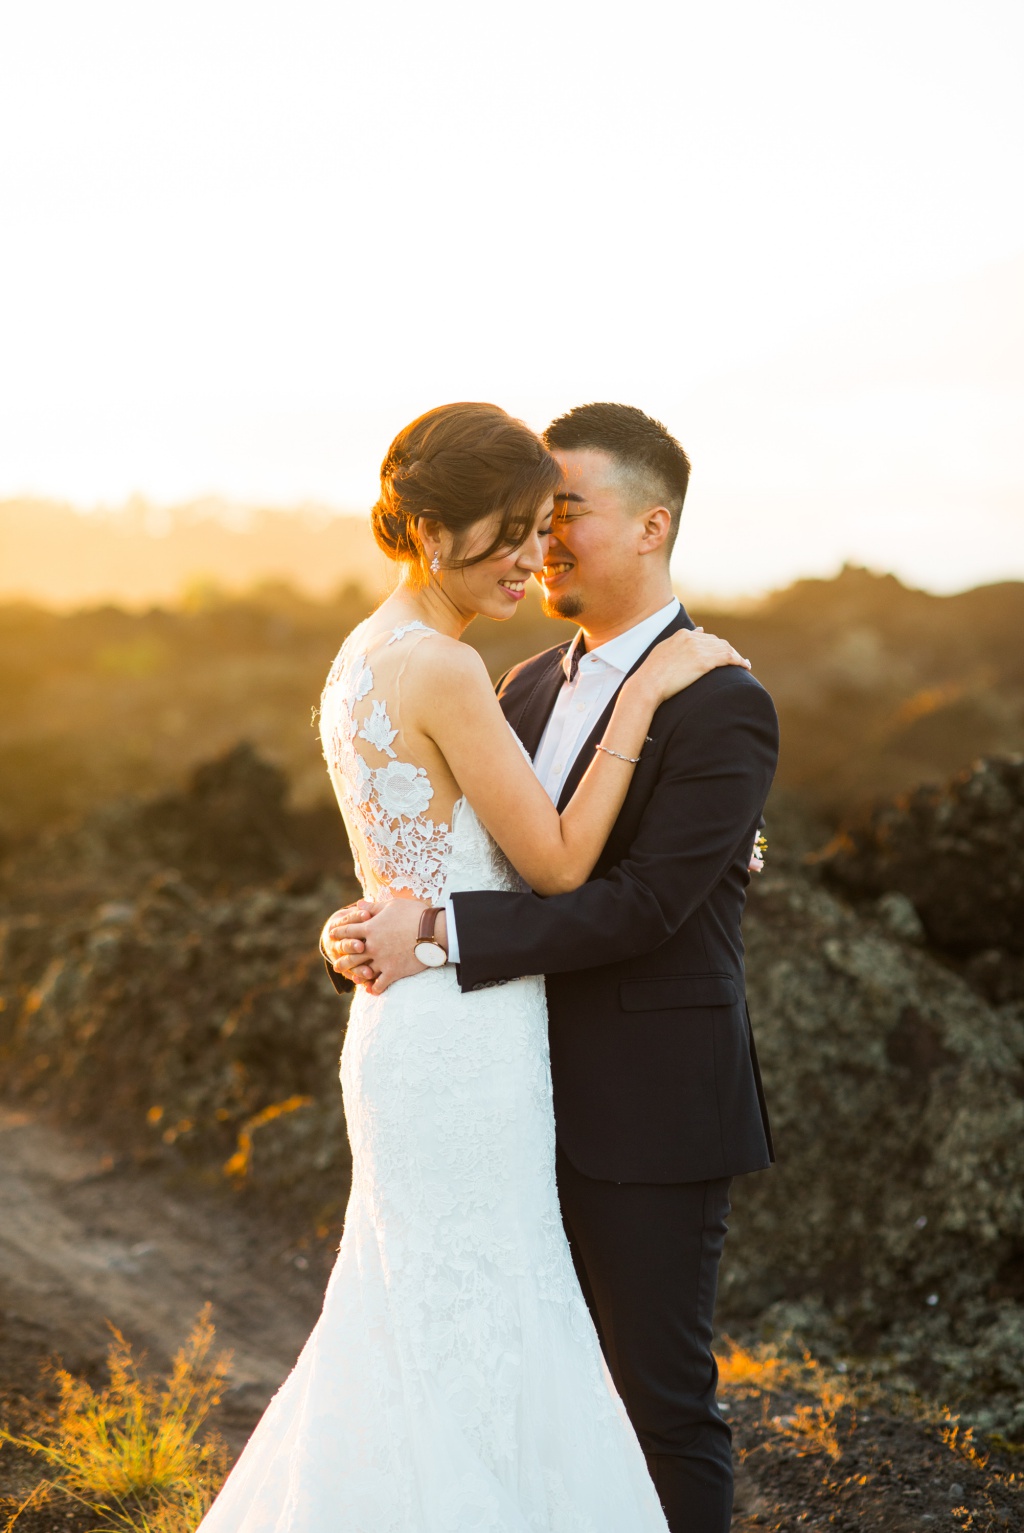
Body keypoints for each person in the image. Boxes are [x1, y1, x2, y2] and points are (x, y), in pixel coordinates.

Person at [198, 401, 749, 1533]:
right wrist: (640, 697)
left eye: (558, 518)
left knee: (573, 1375)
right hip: (466, 1057)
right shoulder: (494, 680)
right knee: (473, 1341)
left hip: (589, 1080)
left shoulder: (719, 701)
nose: (535, 549)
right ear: (437, 530)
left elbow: (619, 897)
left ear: (651, 528)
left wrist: (405, 924)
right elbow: (538, 865)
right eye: (515, 528)